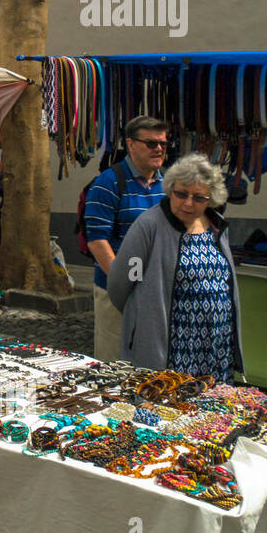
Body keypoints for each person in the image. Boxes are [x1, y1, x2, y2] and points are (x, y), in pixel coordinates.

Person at [108, 154, 242, 381]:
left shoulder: (217, 226)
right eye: (181, 194)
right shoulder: (148, 227)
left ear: (210, 199)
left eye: (198, 197)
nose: (188, 203)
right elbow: (122, 283)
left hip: (215, 345)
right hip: (173, 346)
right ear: (170, 190)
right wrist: (143, 317)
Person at [84, 116, 168, 362]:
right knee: (115, 360)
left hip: (157, 290)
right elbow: (97, 241)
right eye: (151, 143)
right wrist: (124, 284)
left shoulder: (169, 185)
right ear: (131, 145)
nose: (159, 149)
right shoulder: (108, 183)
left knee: (152, 360)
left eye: (163, 143)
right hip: (118, 291)